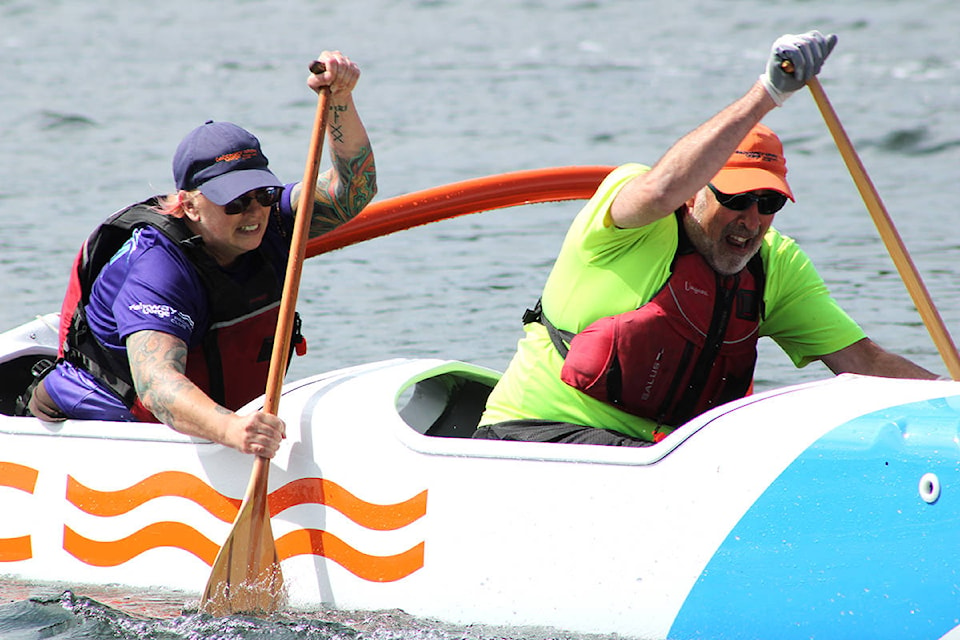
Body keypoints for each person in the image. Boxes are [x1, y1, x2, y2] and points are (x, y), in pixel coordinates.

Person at [474, 31, 937, 447]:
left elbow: (865, 362)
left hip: (665, 458)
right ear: (695, 190)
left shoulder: (777, 267)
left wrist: (948, 401)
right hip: (531, 435)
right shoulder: (629, 222)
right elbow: (660, 189)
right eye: (738, 199)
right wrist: (770, 92)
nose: (751, 220)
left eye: (768, 204)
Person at [24, 50, 377, 459]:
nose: (253, 213)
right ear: (188, 206)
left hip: (222, 427)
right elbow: (158, 387)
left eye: (262, 194)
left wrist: (340, 98)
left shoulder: (272, 222)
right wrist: (234, 430)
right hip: (103, 434)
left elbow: (353, 191)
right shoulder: (156, 268)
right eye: (233, 202)